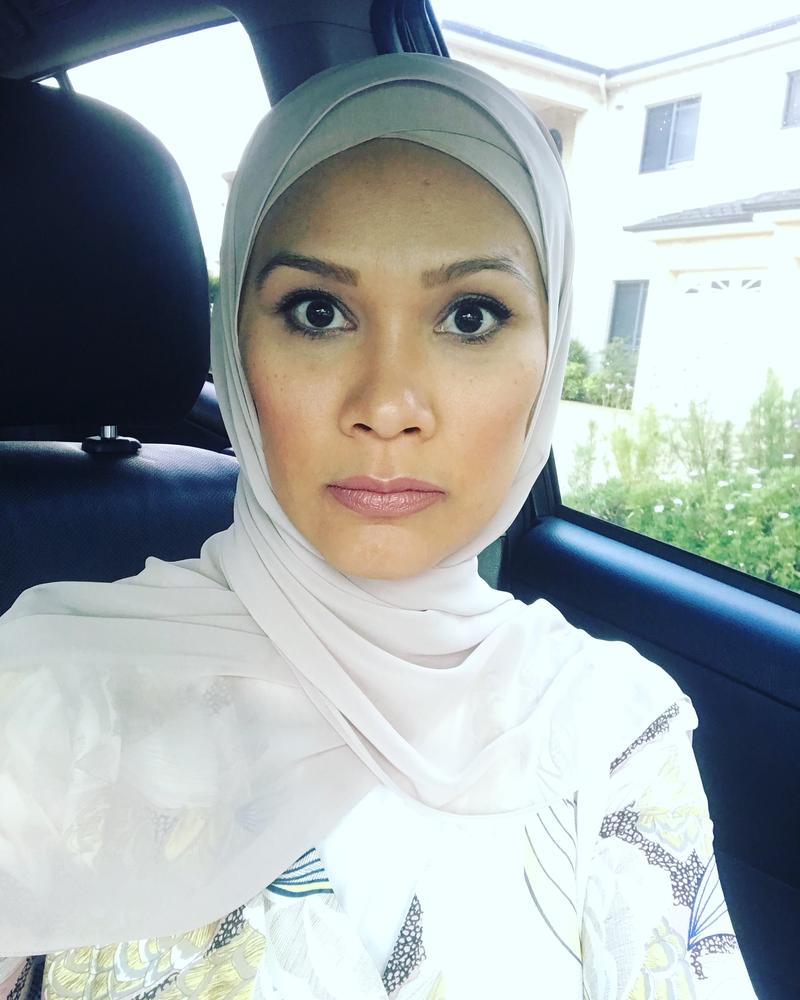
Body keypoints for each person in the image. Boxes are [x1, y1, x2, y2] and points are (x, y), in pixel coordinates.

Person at [0, 53, 757, 999]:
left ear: (549, 349)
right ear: (236, 345)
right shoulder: (46, 701)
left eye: (471, 316)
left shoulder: (611, 728)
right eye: (318, 312)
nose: (387, 405)